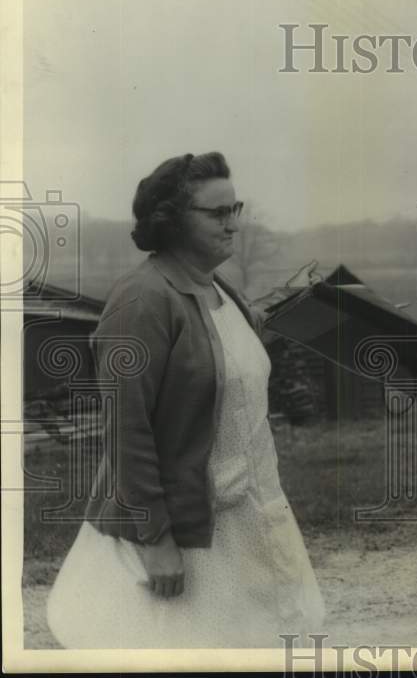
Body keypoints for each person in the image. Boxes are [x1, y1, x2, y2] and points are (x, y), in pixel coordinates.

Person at [46, 152, 325, 648]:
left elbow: (227, 359)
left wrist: (319, 304)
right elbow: (126, 428)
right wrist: (155, 540)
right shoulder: (141, 300)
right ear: (170, 221)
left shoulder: (220, 289)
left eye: (234, 208)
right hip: (187, 536)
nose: (233, 225)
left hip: (249, 518)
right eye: (218, 214)